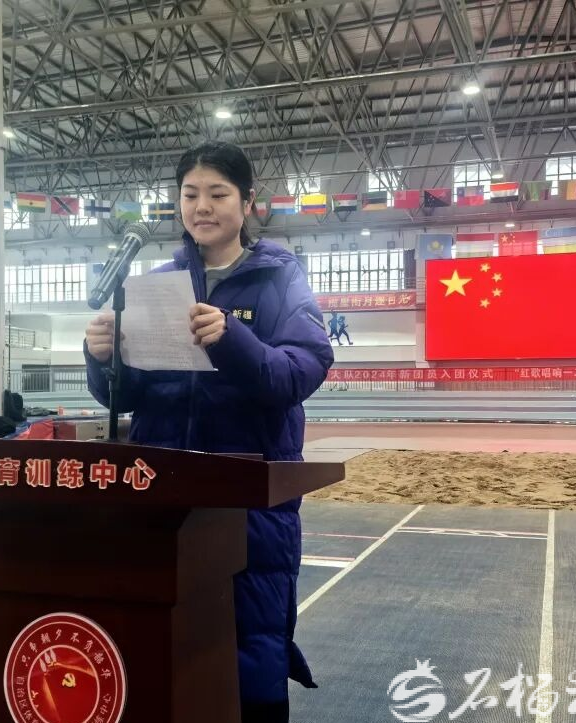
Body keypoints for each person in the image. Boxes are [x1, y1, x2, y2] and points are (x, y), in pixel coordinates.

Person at [84, 141, 334, 723]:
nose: (203, 206)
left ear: (247, 203)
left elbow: (302, 370)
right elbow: (131, 396)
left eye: (218, 194)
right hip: (164, 496)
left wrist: (231, 339)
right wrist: (103, 359)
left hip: (248, 505)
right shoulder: (157, 284)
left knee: (249, 650)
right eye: (191, 194)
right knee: (165, 652)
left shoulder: (279, 280)